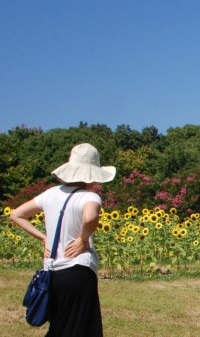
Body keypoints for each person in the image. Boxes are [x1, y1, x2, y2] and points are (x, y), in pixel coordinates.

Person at [10, 143, 116, 337]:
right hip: (78, 271)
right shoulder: (90, 196)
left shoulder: (50, 193)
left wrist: (44, 238)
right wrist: (82, 239)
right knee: (82, 329)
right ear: (93, 175)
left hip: (52, 273)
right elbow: (90, 217)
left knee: (59, 328)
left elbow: (16, 214)